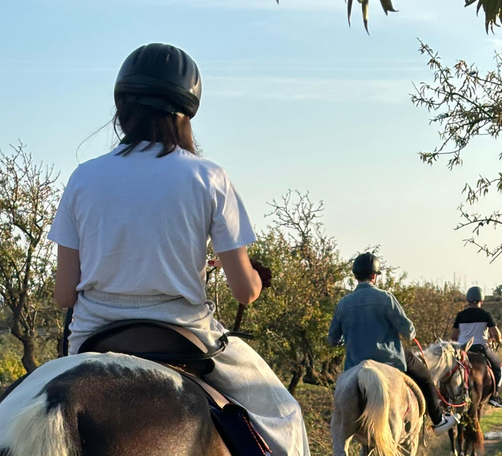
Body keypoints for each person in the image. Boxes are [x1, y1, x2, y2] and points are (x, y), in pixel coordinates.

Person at [48, 43, 309, 456]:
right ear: (186, 114)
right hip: (185, 336)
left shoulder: (83, 177)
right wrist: (255, 278)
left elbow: (65, 293)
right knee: (285, 414)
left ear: (122, 109)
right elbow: (245, 292)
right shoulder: (209, 177)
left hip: (92, 337)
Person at [327, 253, 459, 435]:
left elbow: (333, 339)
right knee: (426, 378)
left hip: (355, 363)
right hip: (389, 359)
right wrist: (410, 332)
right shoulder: (386, 298)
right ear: (374, 276)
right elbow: (408, 330)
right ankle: (438, 421)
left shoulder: (343, 303)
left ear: (356, 276)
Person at [451, 286, 502, 408]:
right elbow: (497, 335)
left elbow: (454, 336)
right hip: (481, 348)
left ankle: (444, 398)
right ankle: (494, 395)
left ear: (468, 300)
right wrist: (495, 340)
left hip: (462, 350)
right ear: (482, 300)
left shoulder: (460, 315)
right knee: (499, 367)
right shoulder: (486, 315)